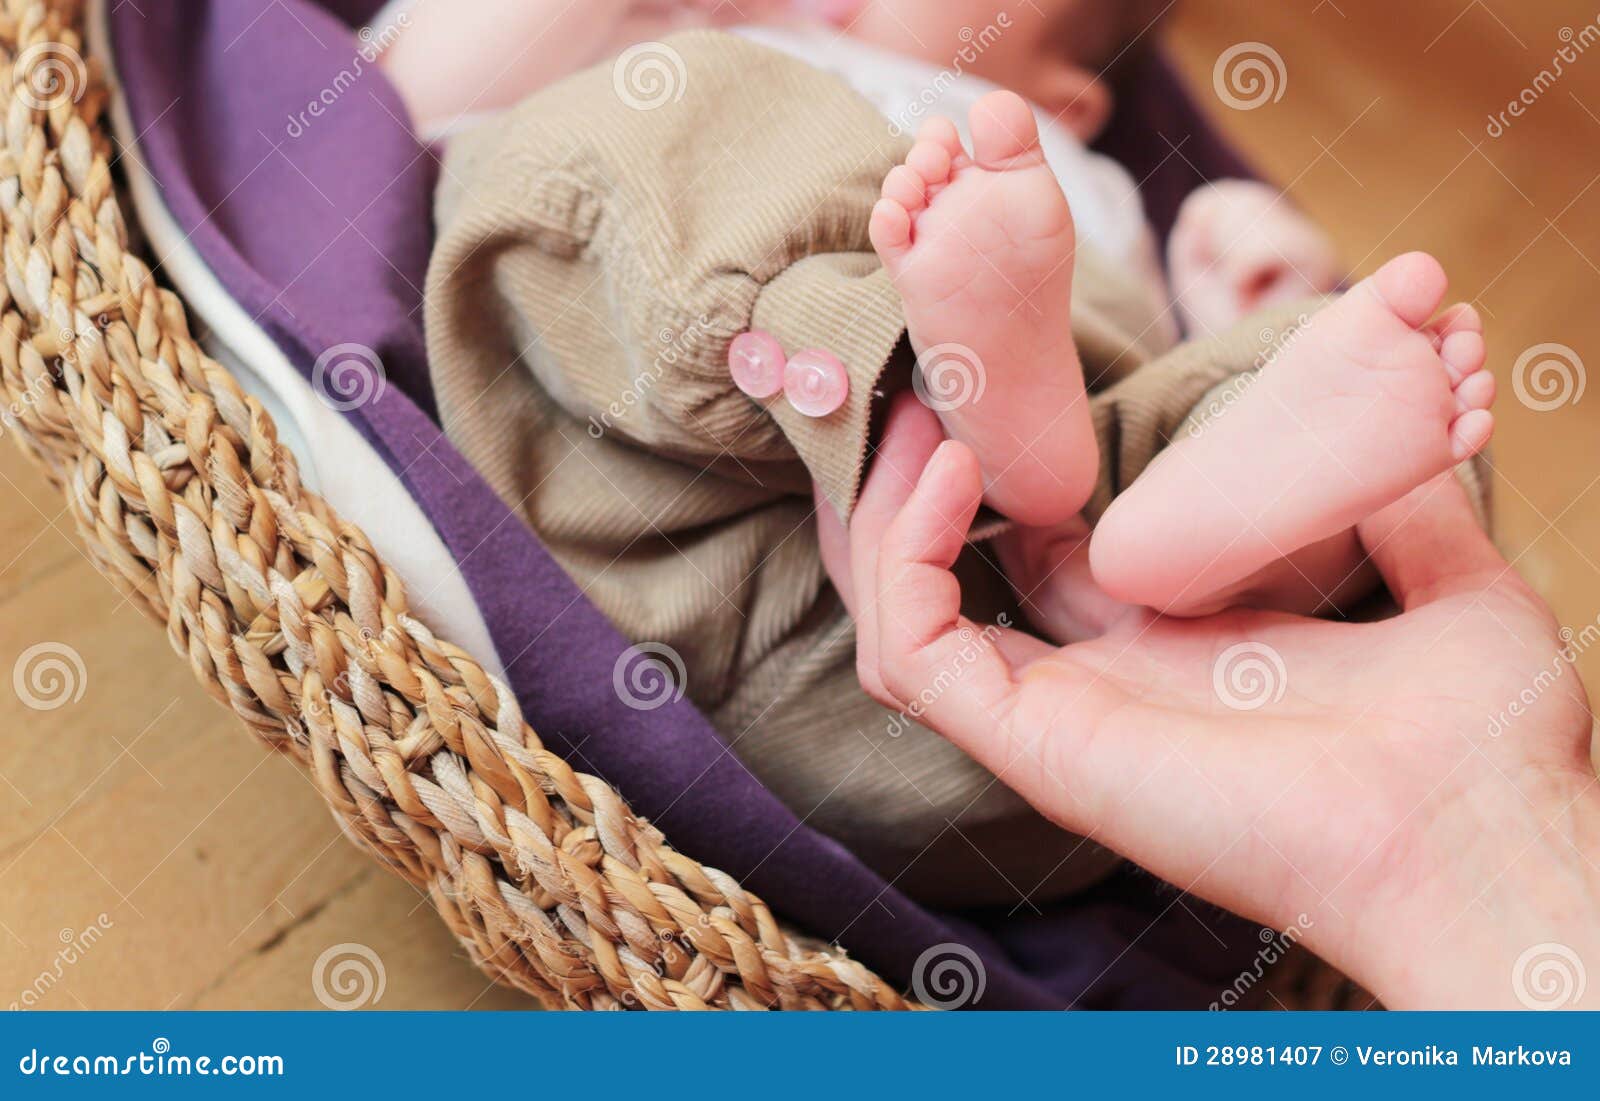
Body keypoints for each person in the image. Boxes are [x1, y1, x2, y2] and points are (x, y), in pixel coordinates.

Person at [822, 390, 1599, 1007]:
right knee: (1224, 411)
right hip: (1205, 542)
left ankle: (1163, 506)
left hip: (1112, 561)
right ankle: (1178, 514)